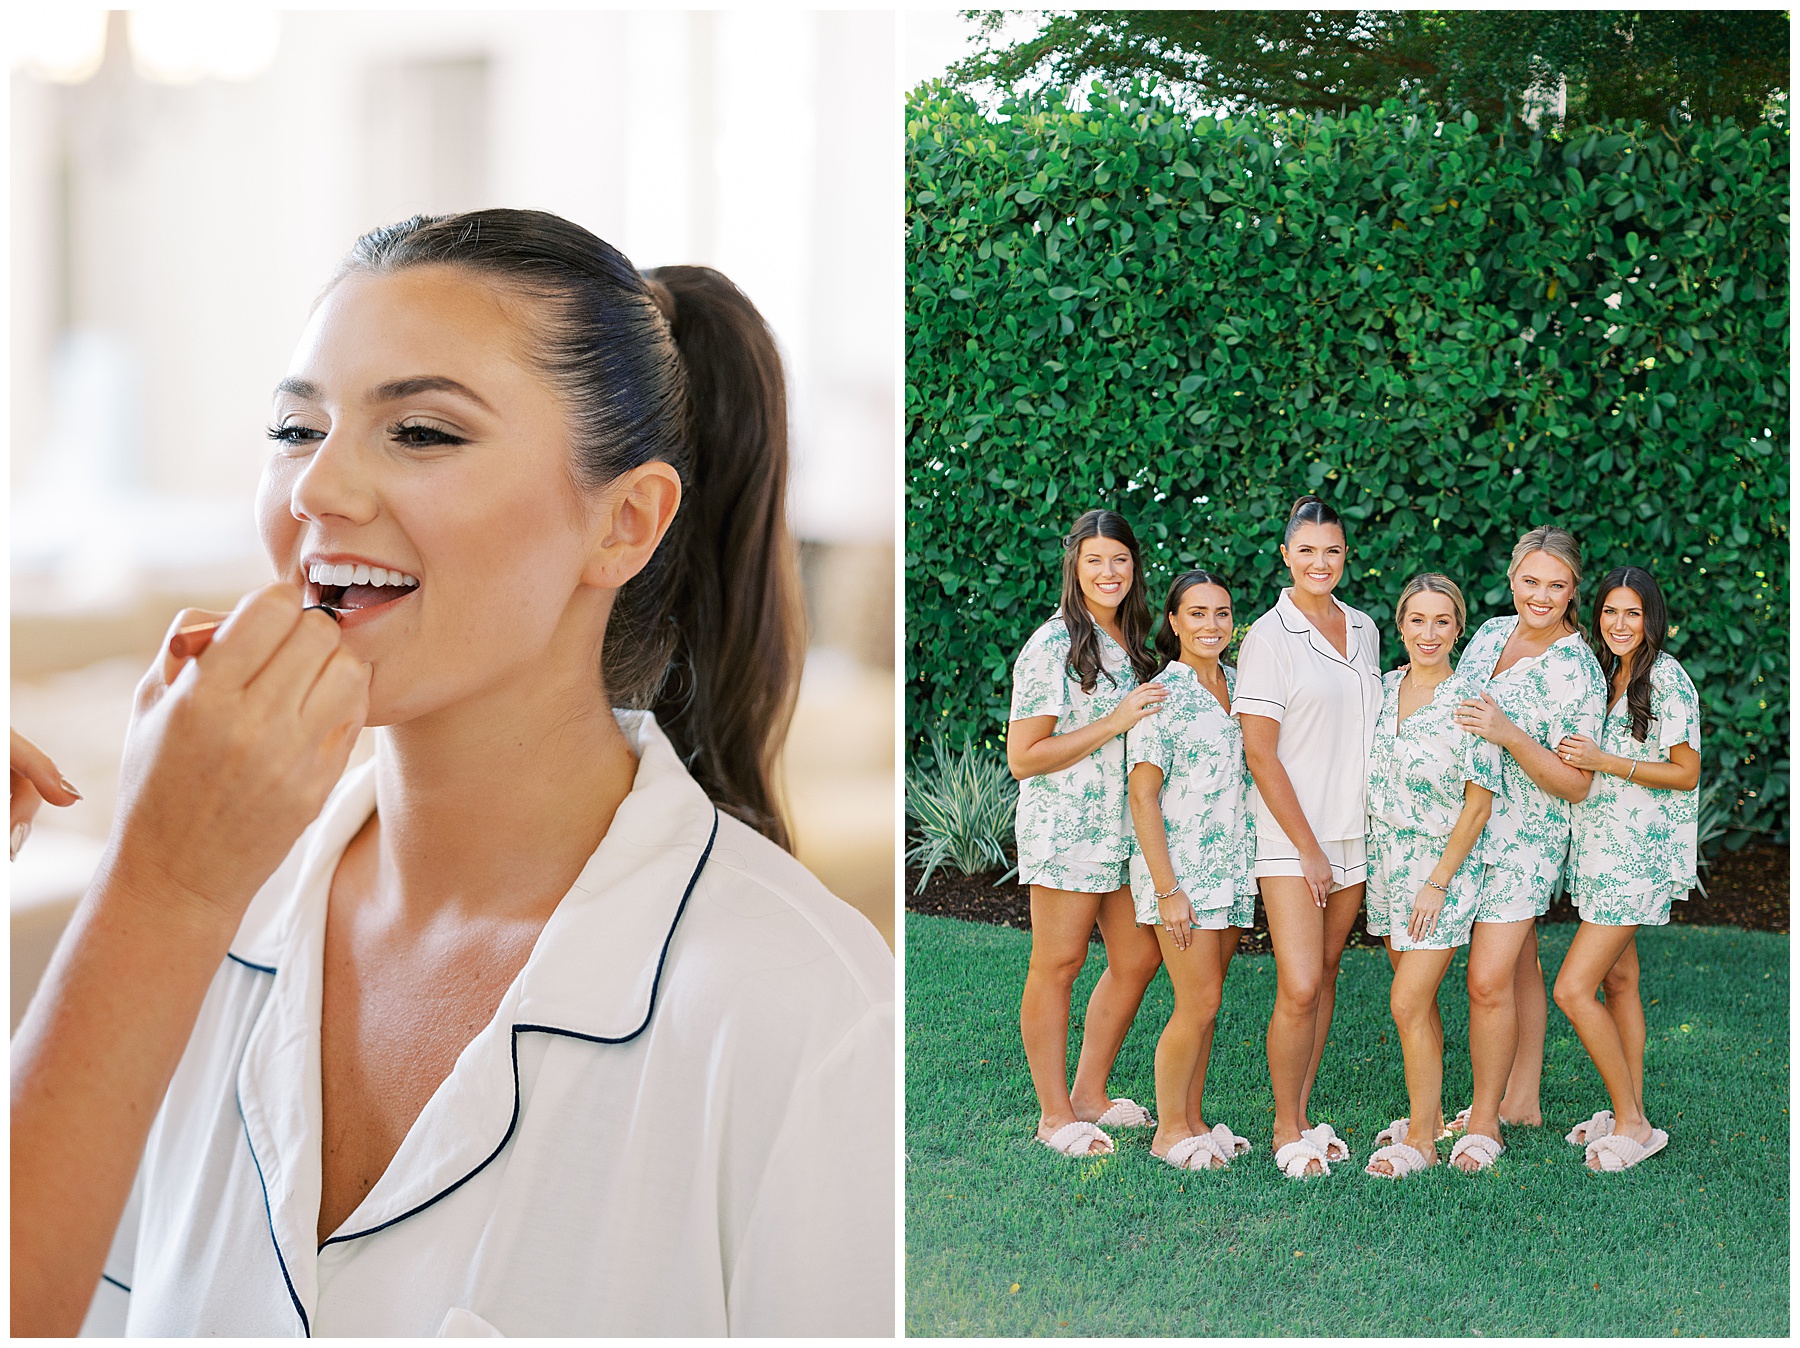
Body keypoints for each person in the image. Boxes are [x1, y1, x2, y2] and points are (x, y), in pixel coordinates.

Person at [10, 209, 893, 1337]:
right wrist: (161, 879)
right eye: (295, 428)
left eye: (421, 432)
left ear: (625, 522)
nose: (317, 490)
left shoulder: (799, 1009)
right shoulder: (186, 926)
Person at [1007, 509, 1166, 1160]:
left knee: (1137, 958)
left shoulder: (1137, 643)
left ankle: (1092, 1094)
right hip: (1068, 828)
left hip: (1128, 831)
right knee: (1059, 963)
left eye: (1120, 560)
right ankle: (1054, 1116)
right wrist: (1115, 720)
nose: (1109, 572)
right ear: (1075, 564)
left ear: (1135, 567)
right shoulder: (1052, 646)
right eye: (1096, 560)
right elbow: (1024, 756)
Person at [1233, 494, 1382, 1179]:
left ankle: (1304, 1109)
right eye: (1308, 550)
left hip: (1356, 835)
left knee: (1324, 975)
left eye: (1333, 550)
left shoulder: (1366, 627)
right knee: (1296, 984)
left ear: (1344, 557)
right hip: (1296, 840)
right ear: (1286, 556)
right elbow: (1260, 753)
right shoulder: (1269, 636)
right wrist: (1311, 850)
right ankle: (1284, 1126)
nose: (1320, 561)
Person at [1447, 525, 1603, 1173]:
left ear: (1573, 591)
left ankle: (1487, 1120)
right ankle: (1524, 1099)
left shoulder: (1578, 668)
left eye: (1556, 585)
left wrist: (1510, 734)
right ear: (1512, 578)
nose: (1541, 595)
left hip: (1525, 839)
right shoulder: (1486, 634)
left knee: (1486, 980)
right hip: (1466, 823)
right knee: (1518, 968)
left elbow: (1575, 783)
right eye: (1530, 580)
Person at [1552, 567, 1700, 1171]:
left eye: (1632, 614)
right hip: (1601, 852)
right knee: (1619, 983)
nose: (1619, 624)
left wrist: (1605, 761)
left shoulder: (1666, 677)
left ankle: (1633, 1121)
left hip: (1636, 860)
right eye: (1610, 612)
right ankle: (1630, 1113)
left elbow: (1685, 771)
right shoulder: (1608, 674)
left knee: (1571, 988)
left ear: (1651, 619)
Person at [1361, 574, 1500, 1180]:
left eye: (1442, 621)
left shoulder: (1470, 700)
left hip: (1440, 870)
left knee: (1407, 1000)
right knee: (1418, 1005)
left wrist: (1439, 879)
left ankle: (1420, 1141)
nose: (1429, 633)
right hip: (1385, 864)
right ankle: (1434, 1111)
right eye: (1418, 620)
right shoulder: (1383, 689)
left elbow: (1479, 800)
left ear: (1458, 628)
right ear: (1400, 625)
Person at [1125, 571, 1255, 1173]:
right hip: (1181, 876)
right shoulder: (1162, 696)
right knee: (1196, 1002)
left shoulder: (1238, 686)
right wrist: (1168, 890)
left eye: (1222, 613)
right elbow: (1143, 797)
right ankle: (1168, 1130)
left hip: (1232, 868)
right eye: (1196, 614)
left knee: (1210, 999)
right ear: (1173, 622)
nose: (1211, 626)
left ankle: (1196, 1119)